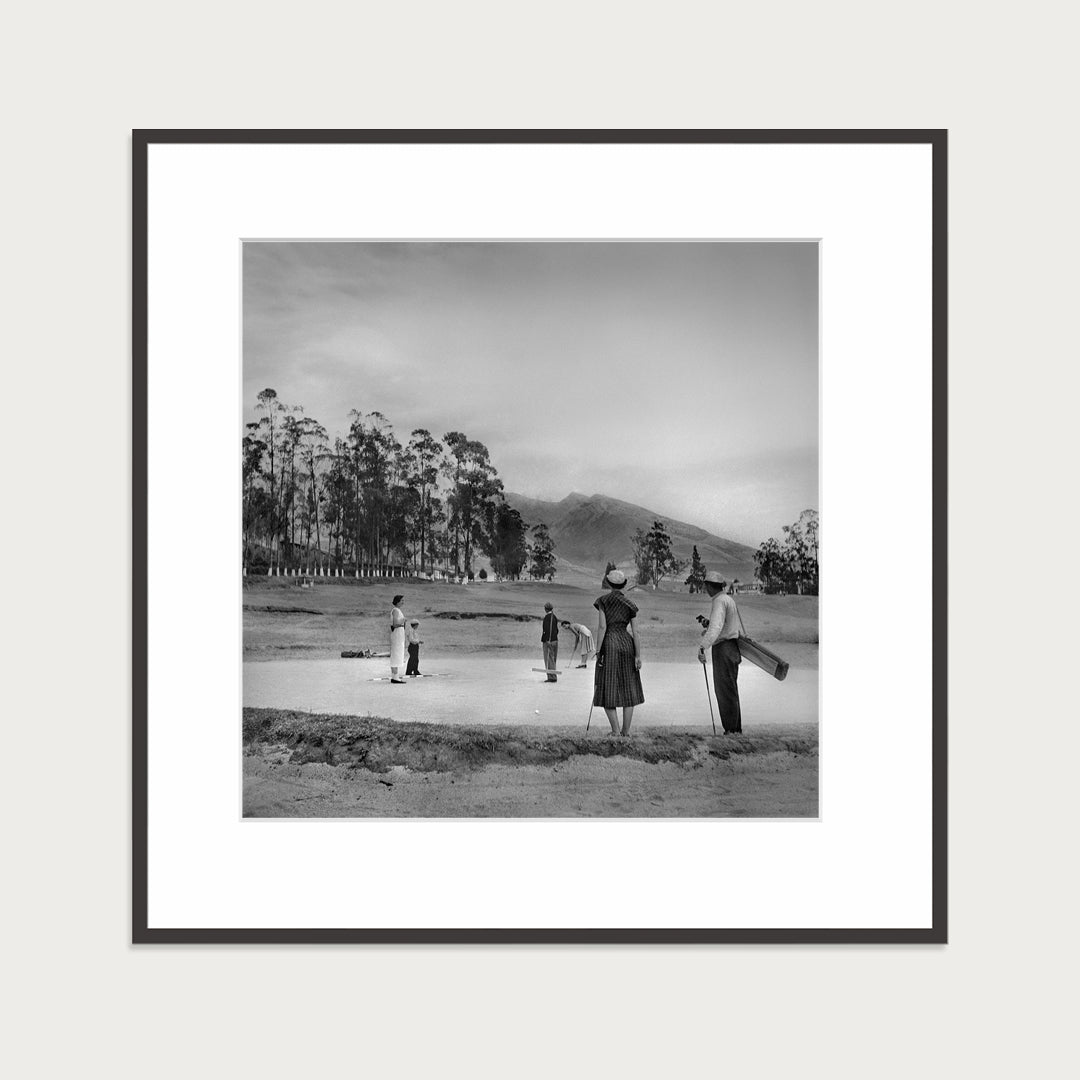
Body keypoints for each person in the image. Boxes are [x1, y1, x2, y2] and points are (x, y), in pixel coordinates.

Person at [593, 569, 644, 736]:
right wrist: (638, 655)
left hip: (610, 644)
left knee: (607, 686)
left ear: (609, 583)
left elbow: (602, 627)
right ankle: (625, 732)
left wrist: (598, 651)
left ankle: (615, 731)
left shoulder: (603, 601)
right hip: (627, 644)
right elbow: (636, 632)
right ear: (624, 584)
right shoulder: (630, 604)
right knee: (629, 687)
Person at [697, 570, 742, 733]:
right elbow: (723, 626)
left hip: (724, 649)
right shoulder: (728, 599)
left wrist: (703, 646)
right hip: (733, 648)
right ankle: (735, 729)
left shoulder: (719, 601)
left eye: (706, 586)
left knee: (724, 691)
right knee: (730, 690)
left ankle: (731, 730)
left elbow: (716, 628)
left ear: (710, 586)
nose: (706, 589)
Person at [389, 594, 407, 684]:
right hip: (397, 634)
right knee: (396, 654)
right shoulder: (396, 610)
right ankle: (395, 677)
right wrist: (403, 621)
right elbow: (395, 623)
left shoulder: (397, 610)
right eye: (402, 600)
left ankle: (395, 676)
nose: (403, 602)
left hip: (398, 634)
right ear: (397, 601)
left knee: (397, 653)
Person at [541, 602, 559, 682]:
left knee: (549, 659)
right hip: (555, 640)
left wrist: (547, 640)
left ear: (546, 609)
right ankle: (553, 675)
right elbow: (556, 630)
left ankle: (551, 677)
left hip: (549, 641)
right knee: (553, 658)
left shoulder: (548, 617)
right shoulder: (554, 617)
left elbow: (547, 629)